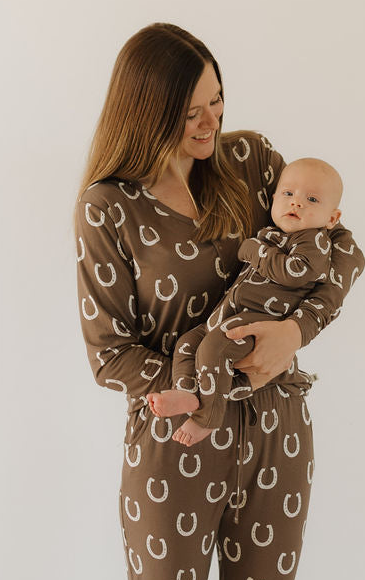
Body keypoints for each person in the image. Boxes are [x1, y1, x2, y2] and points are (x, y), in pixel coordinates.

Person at [74, 24, 364, 580]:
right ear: (146, 108)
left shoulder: (249, 164)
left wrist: (295, 337)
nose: (212, 122)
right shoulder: (107, 208)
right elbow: (107, 350)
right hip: (171, 454)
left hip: (276, 443)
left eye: (219, 102)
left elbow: (335, 244)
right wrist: (179, 391)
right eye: (191, 108)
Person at [147, 158, 345, 446]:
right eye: (288, 194)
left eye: (312, 199)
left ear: (331, 219)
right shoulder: (274, 234)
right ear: (274, 198)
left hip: (258, 320)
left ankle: (207, 419)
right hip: (227, 315)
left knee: (215, 349)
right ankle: (188, 392)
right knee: (188, 344)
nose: (297, 203)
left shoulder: (313, 241)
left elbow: (295, 273)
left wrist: (255, 251)